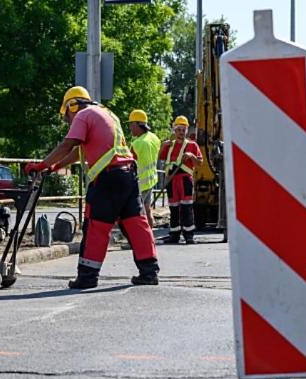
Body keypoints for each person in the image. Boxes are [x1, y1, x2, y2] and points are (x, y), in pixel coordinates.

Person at [24, 86, 159, 289]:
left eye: (67, 115)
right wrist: (53, 167)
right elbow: (77, 152)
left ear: (72, 105)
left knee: (96, 226)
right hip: (128, 176)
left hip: (108, 178)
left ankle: (87, 277)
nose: (68, 121)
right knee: (136, 224)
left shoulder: (83, 115)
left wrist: (41, 165)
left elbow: (67, 145)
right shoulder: (107, 114)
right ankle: (149, 272)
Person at [158, 116, 202, 244]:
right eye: (178, 130)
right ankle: (174, 234)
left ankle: (189, 235)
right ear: (174, 131)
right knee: (173, 208)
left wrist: (191, 156)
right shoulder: (169, 145)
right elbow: (160, 158)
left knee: (187, 207)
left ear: (186, 131)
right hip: (172, 181)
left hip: (185, 180)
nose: (181, 133)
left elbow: (199, 163)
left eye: (183, 130)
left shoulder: (192, 145)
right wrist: (162, 146)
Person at [127, 109, 160, 228]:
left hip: (139, 184)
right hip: (151, 181)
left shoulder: (137, 144)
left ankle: (139, 238)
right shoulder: (154, 138)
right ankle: (151, 237)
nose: (130, 127)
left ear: (138, 124)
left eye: (131, 124)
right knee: (148, 210)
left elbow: (128, 163)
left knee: (136, 214)